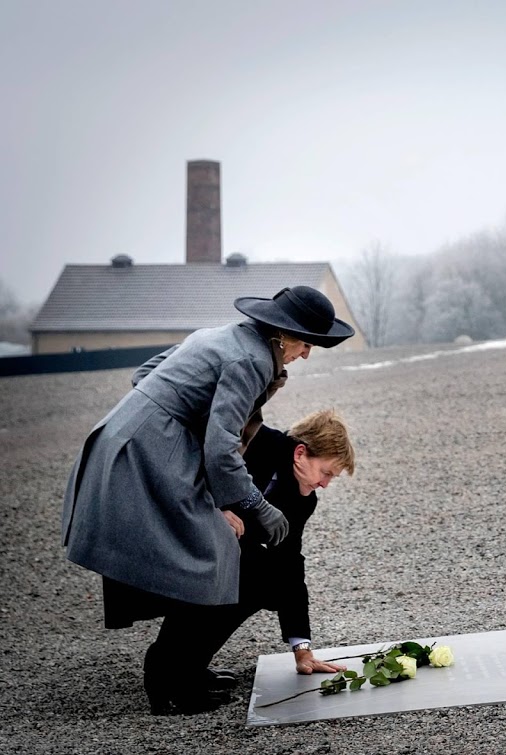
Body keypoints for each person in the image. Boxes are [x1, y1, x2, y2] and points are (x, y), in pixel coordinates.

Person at [61, 286, 354, 714]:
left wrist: (169, 422)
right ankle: (168, 680)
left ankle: (186, 667)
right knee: (214, 552)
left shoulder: (221, 337)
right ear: (282, 334)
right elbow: (220, 449)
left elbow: (145, 375)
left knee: (215, 549)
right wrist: (253, 504)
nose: (306, 354)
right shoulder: (251, 360)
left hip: (126, 435)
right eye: (305, 342)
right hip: (144, 452)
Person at [146, 410, 356, 714]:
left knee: (262, 581)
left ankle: (190, 665)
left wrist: (302, 648)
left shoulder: (303, 498)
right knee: (229, 572)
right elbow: (190, 466)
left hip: (221, 547)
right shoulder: (254, 443)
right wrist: (215, 510)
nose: (325, 483)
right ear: (301, 454)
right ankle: (165, 673)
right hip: (173, 522)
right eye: (326, 472)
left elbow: (290, 561)